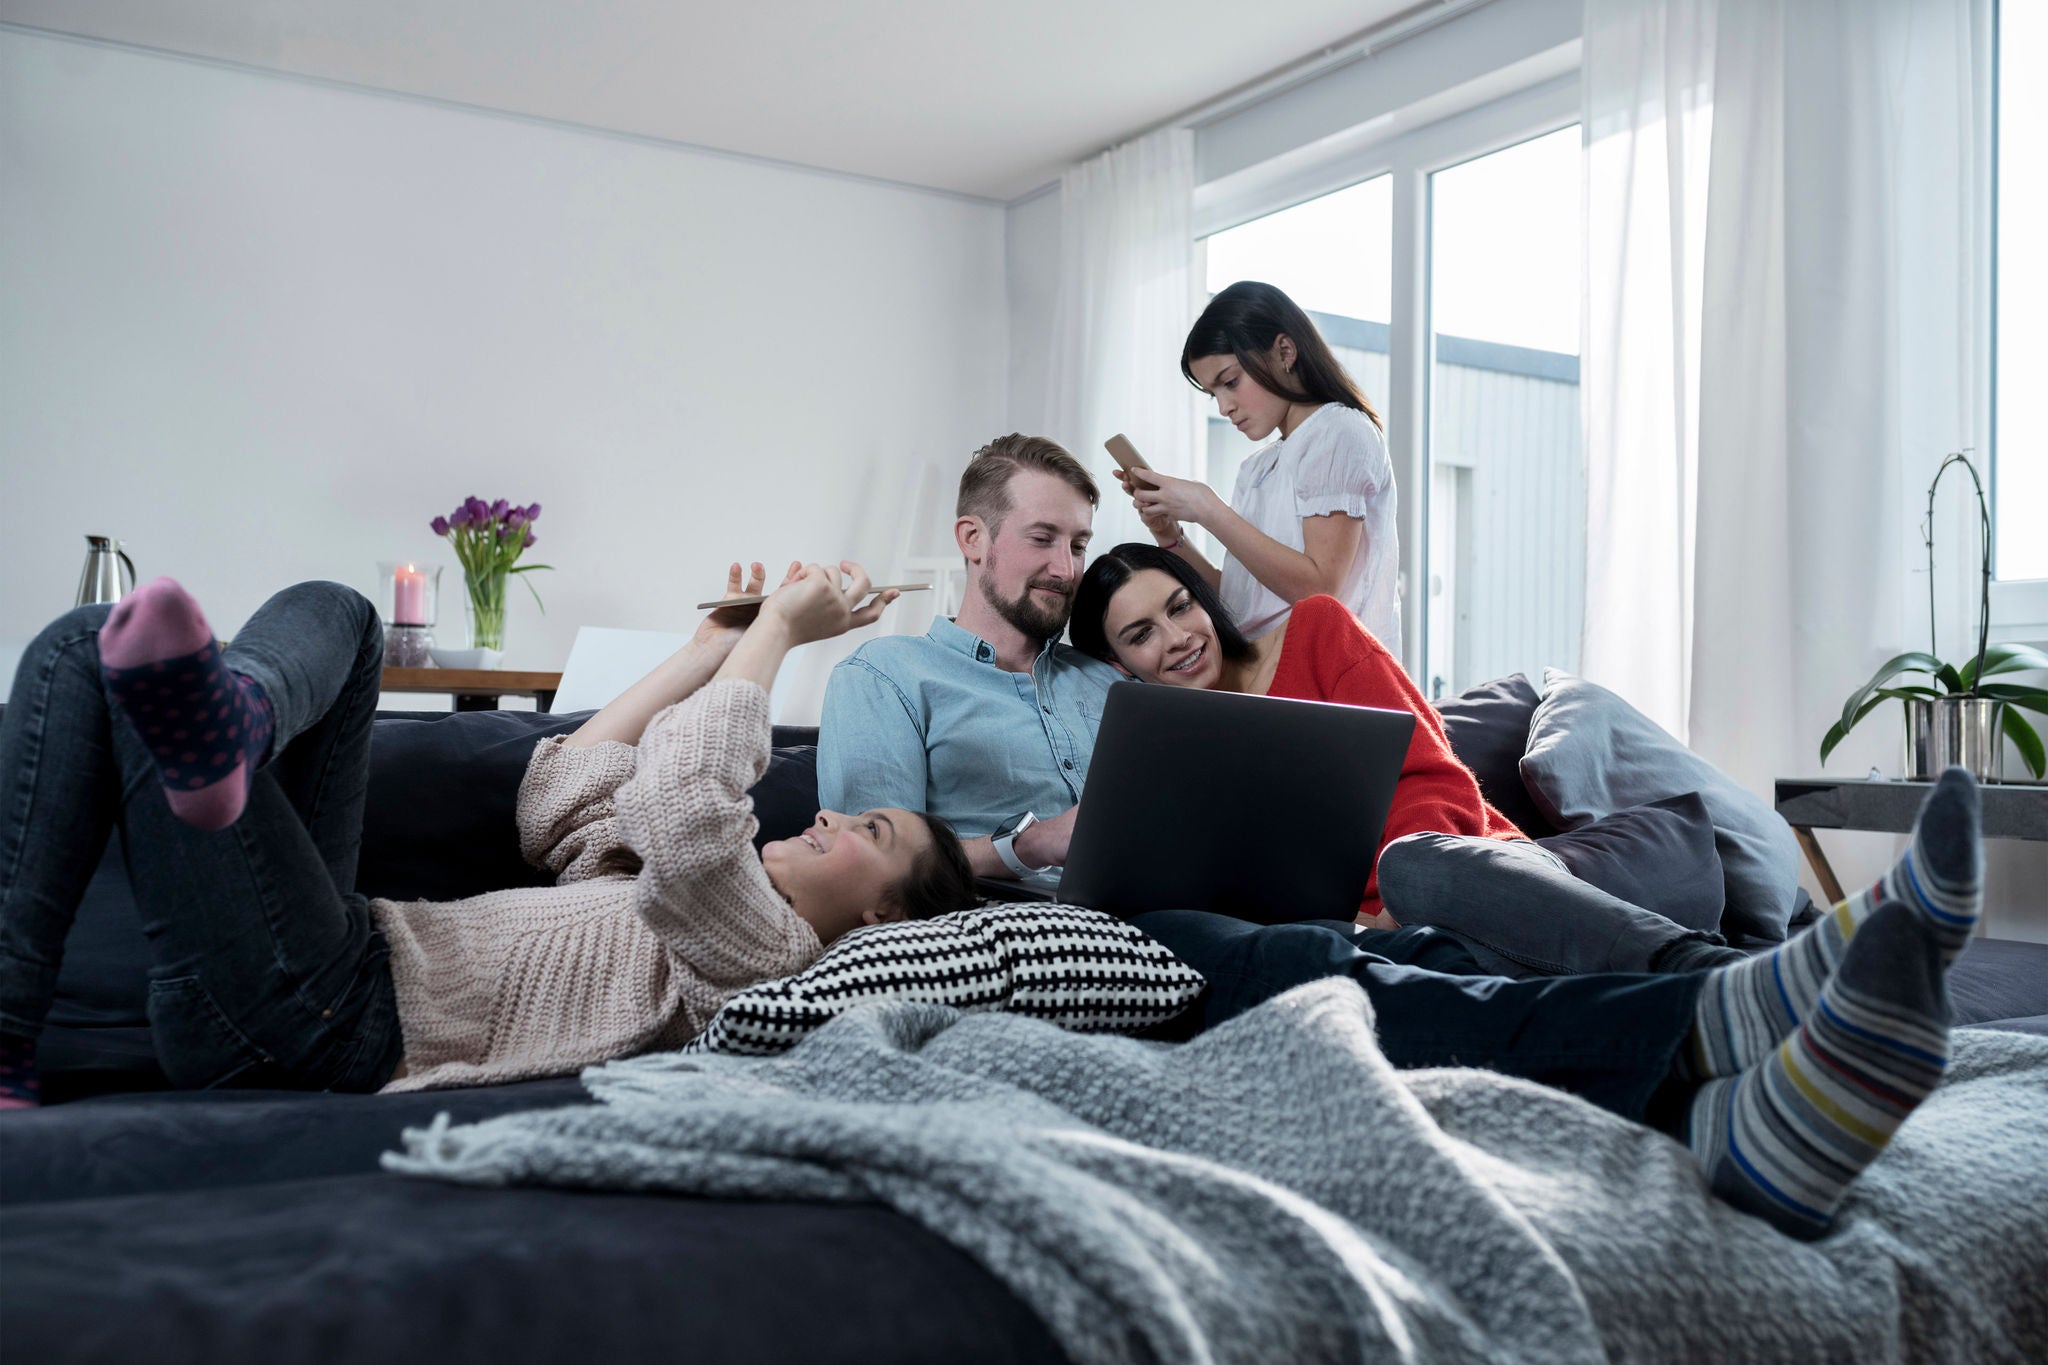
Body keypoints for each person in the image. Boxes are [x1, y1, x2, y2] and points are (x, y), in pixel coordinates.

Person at [0, 561, 976, 1105]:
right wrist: (706, 649)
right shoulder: (679, 900)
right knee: (331, 610)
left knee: (90, 642)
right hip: (334, 952)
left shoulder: (762, 961)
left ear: (886, 910)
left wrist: (779, 636)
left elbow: (687, 806)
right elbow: (557, 794)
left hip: (321, 1019)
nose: (827, 814)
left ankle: (5, 1033)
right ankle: (240, 721)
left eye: (868, 829)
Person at [1068, 543, 1742, 975]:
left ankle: (1703, 968)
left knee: (1414, 862)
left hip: (1460, 876)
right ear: (1117, 664)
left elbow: (1434, 776)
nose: (1178, 637)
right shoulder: (1164, 762)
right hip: (1365, 943)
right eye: (1142, 634)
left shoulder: (1316, 630)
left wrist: (1395, 906)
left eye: (1180, 606)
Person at [819, 433, 1122, 880]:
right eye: (1042, 539)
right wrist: (1030, 846)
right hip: (1005, 928)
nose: (1067, 570)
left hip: (1159, 915)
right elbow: (874, 868)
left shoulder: (1108, 682)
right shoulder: (886, 675)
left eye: (1078, 546)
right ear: (973, 538)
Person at [1114, 280, 1398, 647]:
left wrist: (1207, 507)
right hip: (1268, 677)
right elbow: (1239, 607)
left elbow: (1319, 590)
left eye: (1230, 382)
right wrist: (1170, 535)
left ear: (1285, 351)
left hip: (1333, 682)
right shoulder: (1258, 468)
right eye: (1213, 393)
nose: (1223, 406)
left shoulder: (1338, 431)